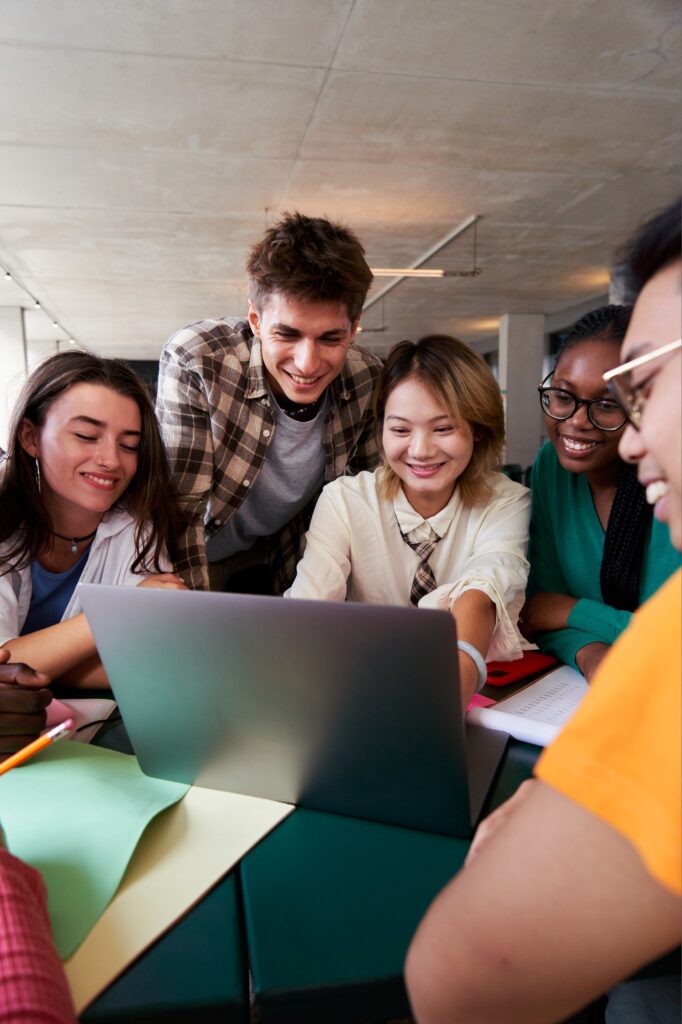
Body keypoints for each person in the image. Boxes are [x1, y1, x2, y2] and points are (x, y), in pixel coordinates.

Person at [405, 199, 681, 1024]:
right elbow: (542, 609)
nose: (626, 434)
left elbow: (460, 979)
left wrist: (587, 629)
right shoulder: (546, 484)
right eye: (568, 398)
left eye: (644, 387)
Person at [287, 335, 531, 705]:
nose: (420, 450)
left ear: (478, 429)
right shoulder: (345, 501)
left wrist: (442, 704)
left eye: (444, 428)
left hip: (458, 686)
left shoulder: (507, 501)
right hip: (357, 684)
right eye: (400, 429)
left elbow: (482, 593)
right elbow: (309, 611)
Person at [156, 211, 382, 594]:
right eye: (287, 335)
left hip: (285, 557)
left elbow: (363, 512)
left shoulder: (366, 380)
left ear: (354, 326)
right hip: (186, 558)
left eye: (331, 339)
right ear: (256, 321)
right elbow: (182, 510)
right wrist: (188, 626)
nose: (307, 364)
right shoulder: (199, 360)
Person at [0, 351, 185, 686]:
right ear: (30, 437)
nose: (111, 460)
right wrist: (120, 610)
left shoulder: (138, 526)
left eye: (129, 445)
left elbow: (155, 661)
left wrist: (42, 664)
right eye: (86, 436)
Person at [522, 305, 680, 681]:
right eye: (562, 395)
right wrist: (591, 652)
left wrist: (573, 611)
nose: (575, 421)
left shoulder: (673, 485)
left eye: (608, 405)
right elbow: (538, 612)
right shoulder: (551, 468)